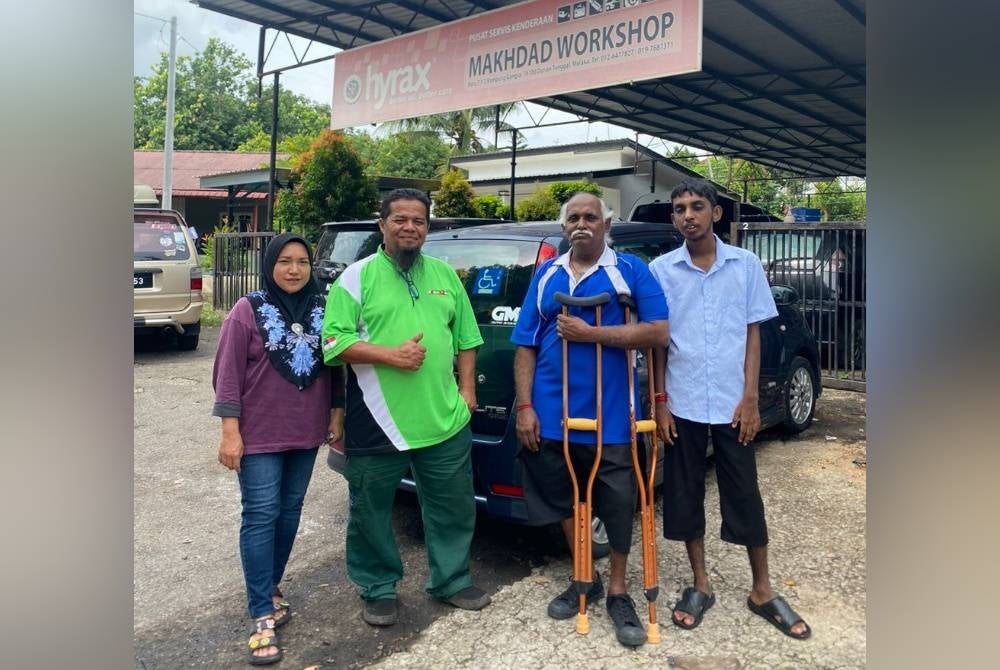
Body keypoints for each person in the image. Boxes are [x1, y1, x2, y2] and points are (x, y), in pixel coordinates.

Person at [648, 178, 811, 640]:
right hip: (681, 404)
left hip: (731, 404)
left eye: (697, 206)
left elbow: (752, 333)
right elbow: (659, 343)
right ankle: (700, 584)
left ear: (715, 213)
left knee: (744, 492)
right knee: (683, 493)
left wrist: (751, 397)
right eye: (679, 209)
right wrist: (660, 402)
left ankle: (761, 589)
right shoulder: (663, 270)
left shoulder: (745, 266)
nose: (687, 216)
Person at [321, 188, 491, 627]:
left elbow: (467, 338)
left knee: (453, 506)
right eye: (400, 219)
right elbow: (333, 343)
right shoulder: (355, 279)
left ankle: (451, 580)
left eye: (418, 220)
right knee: (370, 511)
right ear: (382, 225)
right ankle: (378, 587)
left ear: (427, 227)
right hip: (377, 420)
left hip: (443, 418)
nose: (410, 227)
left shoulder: (445, 275)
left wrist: (467, 392)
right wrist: (389, 355)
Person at [511, 193, 669, 647]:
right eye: (573, 218)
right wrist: (525, 406)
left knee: (618, 502)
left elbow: (658, 332)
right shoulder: (546, 275)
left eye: (590, 217)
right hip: (550, 411)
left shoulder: (631, 270)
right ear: (564, 229)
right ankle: (585, 574)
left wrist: (592, 333)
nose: (582, 224)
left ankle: (618, 589)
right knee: (562, 498)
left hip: (612, 415)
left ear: (606, 224)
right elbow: (525, 343)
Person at [213, 233, 346, 665]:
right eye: (285, 261)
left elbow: (337, 364)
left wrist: (336, 412)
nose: (293, 269)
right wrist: (230, 432)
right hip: (259, 435)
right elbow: (228, 376)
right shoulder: (245, 310)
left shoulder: (325, 308)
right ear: (270, 265)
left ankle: (268, 588)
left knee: (289, 512)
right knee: (260, 515)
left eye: (302, 262)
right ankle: (261, 615)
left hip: (305, 431)